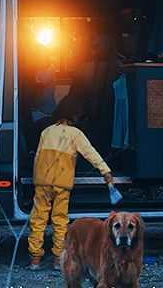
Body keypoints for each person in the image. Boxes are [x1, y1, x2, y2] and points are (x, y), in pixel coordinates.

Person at [27, 97, 113, 271]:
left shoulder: (47, 131)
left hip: (42, 182)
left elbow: (37, 157)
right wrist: (105, 170)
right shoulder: (76, 135)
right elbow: (91, 154)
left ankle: (35, 259)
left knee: (38, 220)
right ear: (75, 115)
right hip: (62, 184)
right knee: (60, 221)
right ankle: (58, 259)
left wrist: (36, 178)